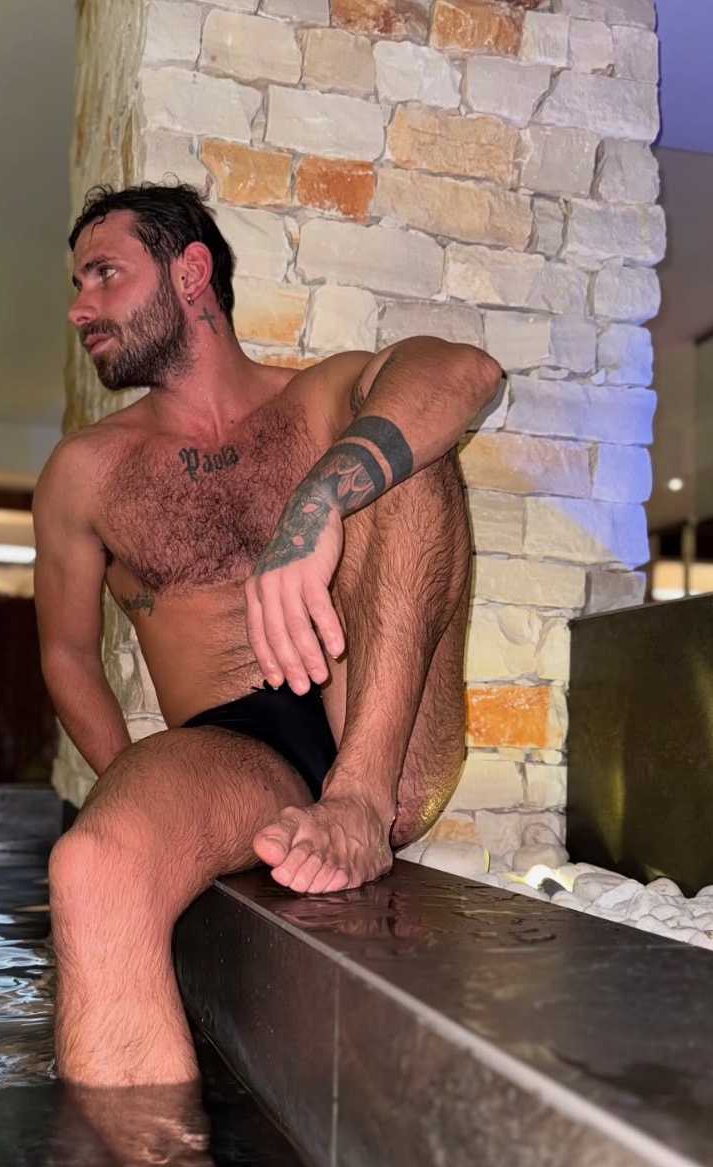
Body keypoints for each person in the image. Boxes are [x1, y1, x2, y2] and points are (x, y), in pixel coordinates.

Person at [35, 184, 504, 1088]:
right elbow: (66, 655)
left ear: (190, 272)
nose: (80, 308)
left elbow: (465, 372)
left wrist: (320, 499)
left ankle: (356, 806)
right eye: (78, 285)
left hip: (378, 716)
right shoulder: (84, 473)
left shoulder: (316, 397)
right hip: (231, 748)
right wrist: (142, 787)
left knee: (403, 444)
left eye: (104, 275)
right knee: (92, 865)